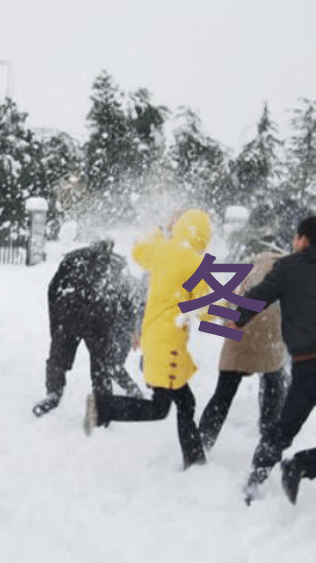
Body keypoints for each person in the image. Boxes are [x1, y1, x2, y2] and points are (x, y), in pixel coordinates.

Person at [84, 209, 213, 470]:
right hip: (170, 341)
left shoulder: (162, 250)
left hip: (154, 336)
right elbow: (206, 310)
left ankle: (194, 460)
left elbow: (138, 250)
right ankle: (194, 462)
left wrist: (159, 230)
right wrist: (232, 317)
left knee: (170, 404)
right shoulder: (197, 263)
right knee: (175, 405)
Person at [234, 216, 316, 504]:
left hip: (307, 366)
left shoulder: (288, 268)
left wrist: (235, 318)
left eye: (295, 237)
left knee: (282, 430)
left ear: (303, 240)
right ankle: (302, 465)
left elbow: (257, 297)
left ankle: (254, 485)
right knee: (283, 428)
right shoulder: (290, 268)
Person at [197, 231, 289, 452]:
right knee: (273, 388)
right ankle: (266, 444)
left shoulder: (245, 268)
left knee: (223, 395)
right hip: (272, 341)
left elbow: (225, 306)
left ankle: (201, 445)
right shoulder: (289, 269)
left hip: (239, 337)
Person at [33, 239, 143, 418]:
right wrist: (129, 327)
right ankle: (90, 399)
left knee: (71, 361)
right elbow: (126, 298)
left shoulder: (79, 259)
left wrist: (55, 323)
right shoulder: (100, 262)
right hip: (85, 320)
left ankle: (64, 395)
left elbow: (52, 290)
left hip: (84, 319)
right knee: (86, 362)